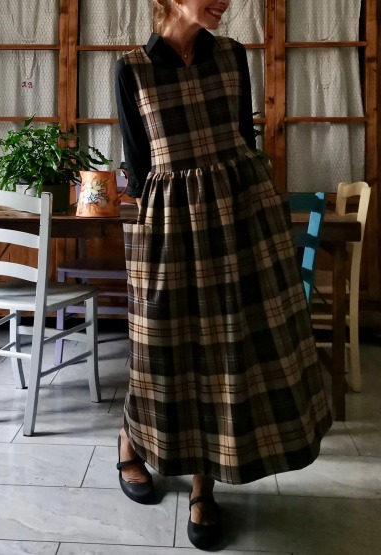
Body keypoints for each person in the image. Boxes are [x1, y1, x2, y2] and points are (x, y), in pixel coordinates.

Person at [115, 0, 332, 549]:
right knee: (161, 346)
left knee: (227, 350)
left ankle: (202, 486)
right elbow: (138, 170)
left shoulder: (233, 55)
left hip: (239, 219)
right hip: (170, 225)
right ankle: (130, 441)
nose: (226, 1)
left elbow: (244, 142)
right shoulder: (132, 68)